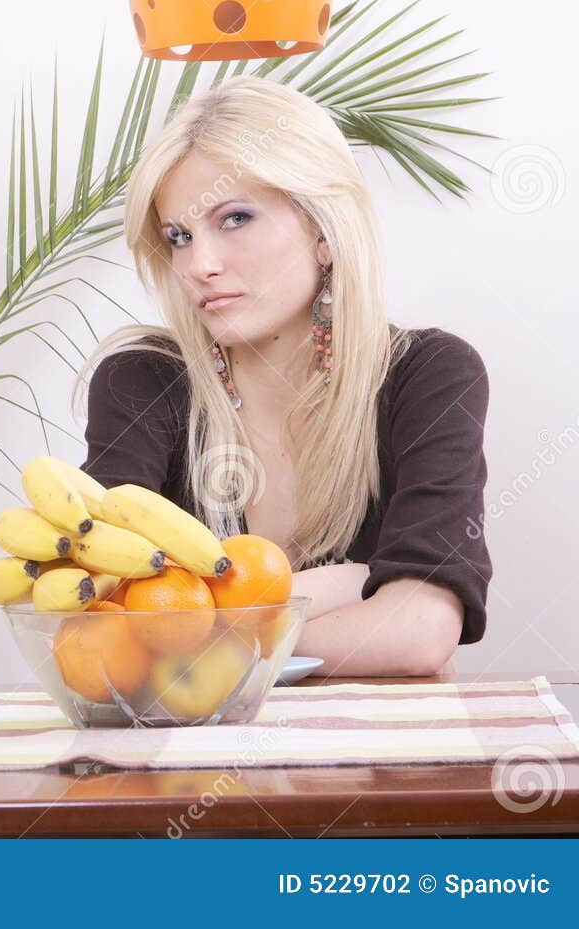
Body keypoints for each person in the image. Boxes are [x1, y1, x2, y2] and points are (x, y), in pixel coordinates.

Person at [79, 76, 491, 677]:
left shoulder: (426, 376)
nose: (200, 265)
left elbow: (422, 631)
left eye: (236, 218)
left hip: (382, 761)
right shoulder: (141, 384)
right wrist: (350, 585)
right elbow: (104, 615)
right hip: (189, 765)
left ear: (323, 231)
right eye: (179, 237)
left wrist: (206, 634)